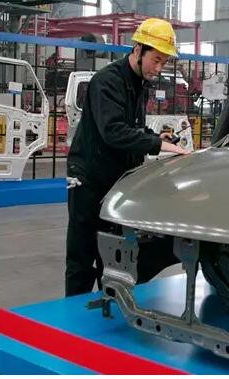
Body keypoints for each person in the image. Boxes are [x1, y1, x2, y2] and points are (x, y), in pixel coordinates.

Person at [65, 18, 190, 296]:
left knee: (111, 252)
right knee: (82, 256)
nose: (158, 69)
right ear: (137, 49)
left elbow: (130, 127)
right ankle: (73, 313)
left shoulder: (137, 83)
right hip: (88, 177)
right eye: (155, 60)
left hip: (115, 178)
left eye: (164, 63)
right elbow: (113, 132)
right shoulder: (107, 81)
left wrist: (154, 135)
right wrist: (157, 144)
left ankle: (108, 305)